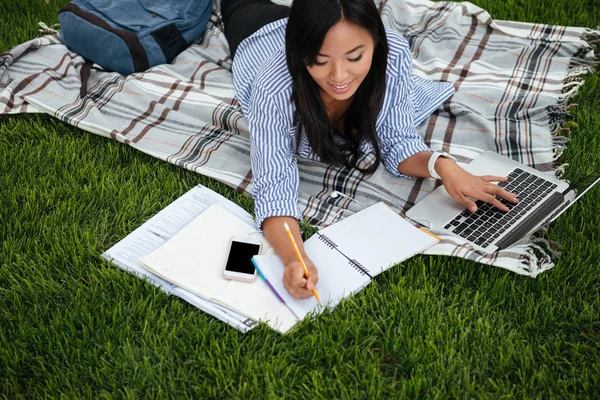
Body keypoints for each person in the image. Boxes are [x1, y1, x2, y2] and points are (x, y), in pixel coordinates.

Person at [221, 0, 518, 299]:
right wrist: (295, 258)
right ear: (301, 56)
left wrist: (444, 166)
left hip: (309, 24)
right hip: (252, 30)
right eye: (320, 61)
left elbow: (397, 140)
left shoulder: (393, 54)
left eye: (355, 57)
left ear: (376, 40)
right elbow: (275, 187)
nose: (338, 76)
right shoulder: (273, 89)